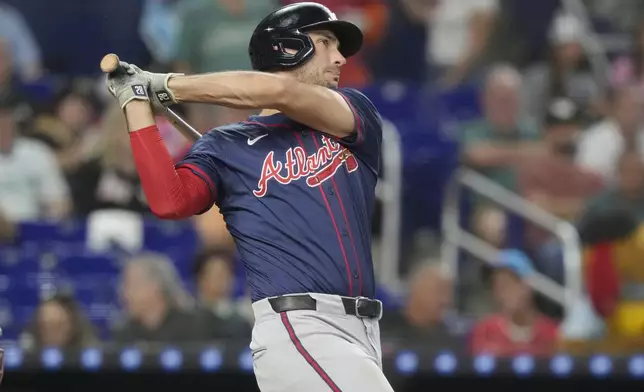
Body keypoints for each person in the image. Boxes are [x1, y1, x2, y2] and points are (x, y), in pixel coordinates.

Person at [104, 3, 390, 392]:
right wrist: (134, 103)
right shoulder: (227, 146)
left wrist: (165, 84)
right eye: (325, 42)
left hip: (362, 332)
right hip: (299, 327)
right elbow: (170, 201)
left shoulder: (355, 114)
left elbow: (279, 91)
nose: (340, 58)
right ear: (288, 49)